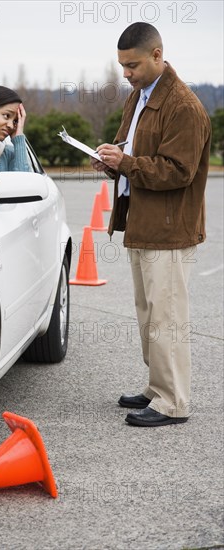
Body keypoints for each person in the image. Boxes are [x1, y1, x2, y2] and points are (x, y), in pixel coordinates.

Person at [91, 22, 211, 427]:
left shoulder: (184, 107)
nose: (126, 73)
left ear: (157, 55)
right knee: (148, 314)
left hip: (169, 230)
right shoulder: (138, 98)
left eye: (133, 65)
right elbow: (131, 152)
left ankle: (172, 401)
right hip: (142, 223)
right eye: (123, 66)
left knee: (167, 317)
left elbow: (178, 171)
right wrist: (110, 160)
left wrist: (124, 163)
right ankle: (157, 387)